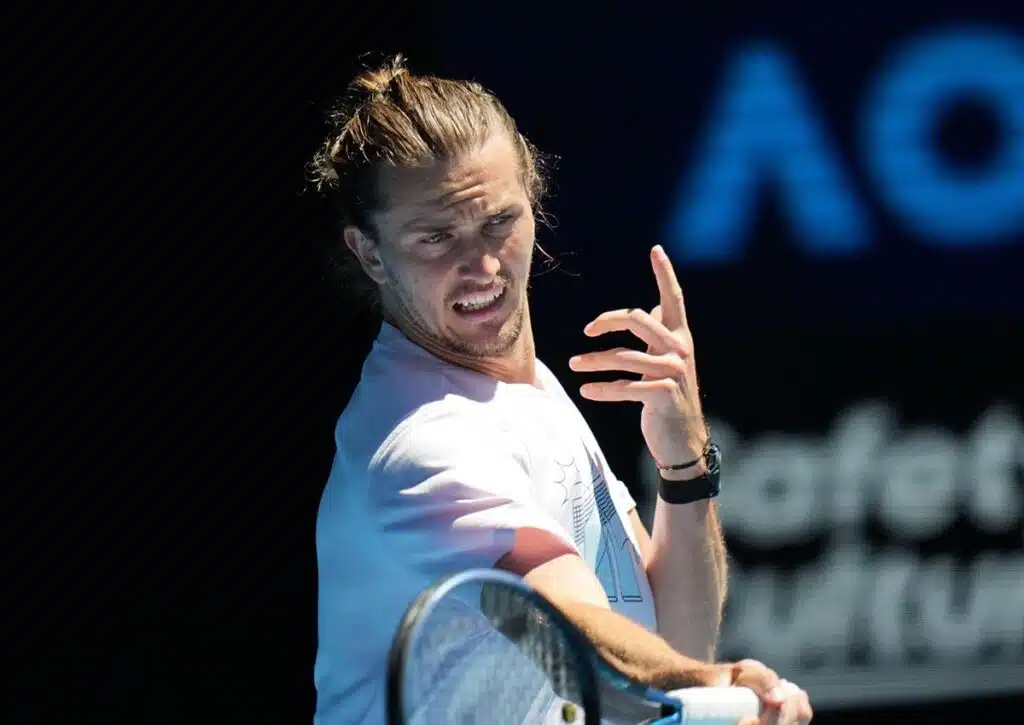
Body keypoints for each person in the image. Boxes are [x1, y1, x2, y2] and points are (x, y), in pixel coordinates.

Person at [307, 55, 813, 725]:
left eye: (498, 221)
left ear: (533, 199)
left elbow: (668, 643)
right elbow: (574, 631)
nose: (482, 265)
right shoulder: (424, 443)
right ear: (370, 253)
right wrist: (719, 683)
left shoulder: (527, 392)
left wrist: (685, 465)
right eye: (436, 238)